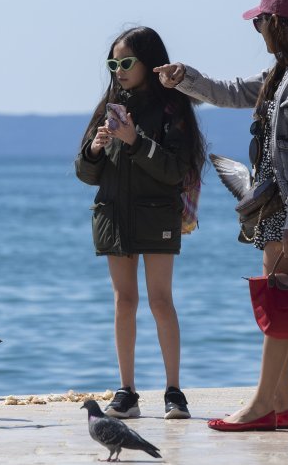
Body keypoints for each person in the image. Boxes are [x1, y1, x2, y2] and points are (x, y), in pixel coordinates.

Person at [155, 0, 288, 431]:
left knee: (280, 301)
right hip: (283, 199)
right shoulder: (287, 70)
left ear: (278, 23)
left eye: (260, 21)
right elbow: (231, 92)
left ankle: (263, 404)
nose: (257, 29)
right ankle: (278, 404)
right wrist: (185, 78)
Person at [75, 26, 206, 420]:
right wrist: (95, 149)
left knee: (161, 300)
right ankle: (126, 391)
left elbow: (175, 170)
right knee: (124, 301)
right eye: (113, 63)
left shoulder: (173, 108)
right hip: (114, 215)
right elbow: (85, 173)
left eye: (126, 62)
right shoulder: (109, 106)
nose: (118, 70)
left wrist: (135, 141)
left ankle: (174, 392)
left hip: (157, 214)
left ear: (149, 63)